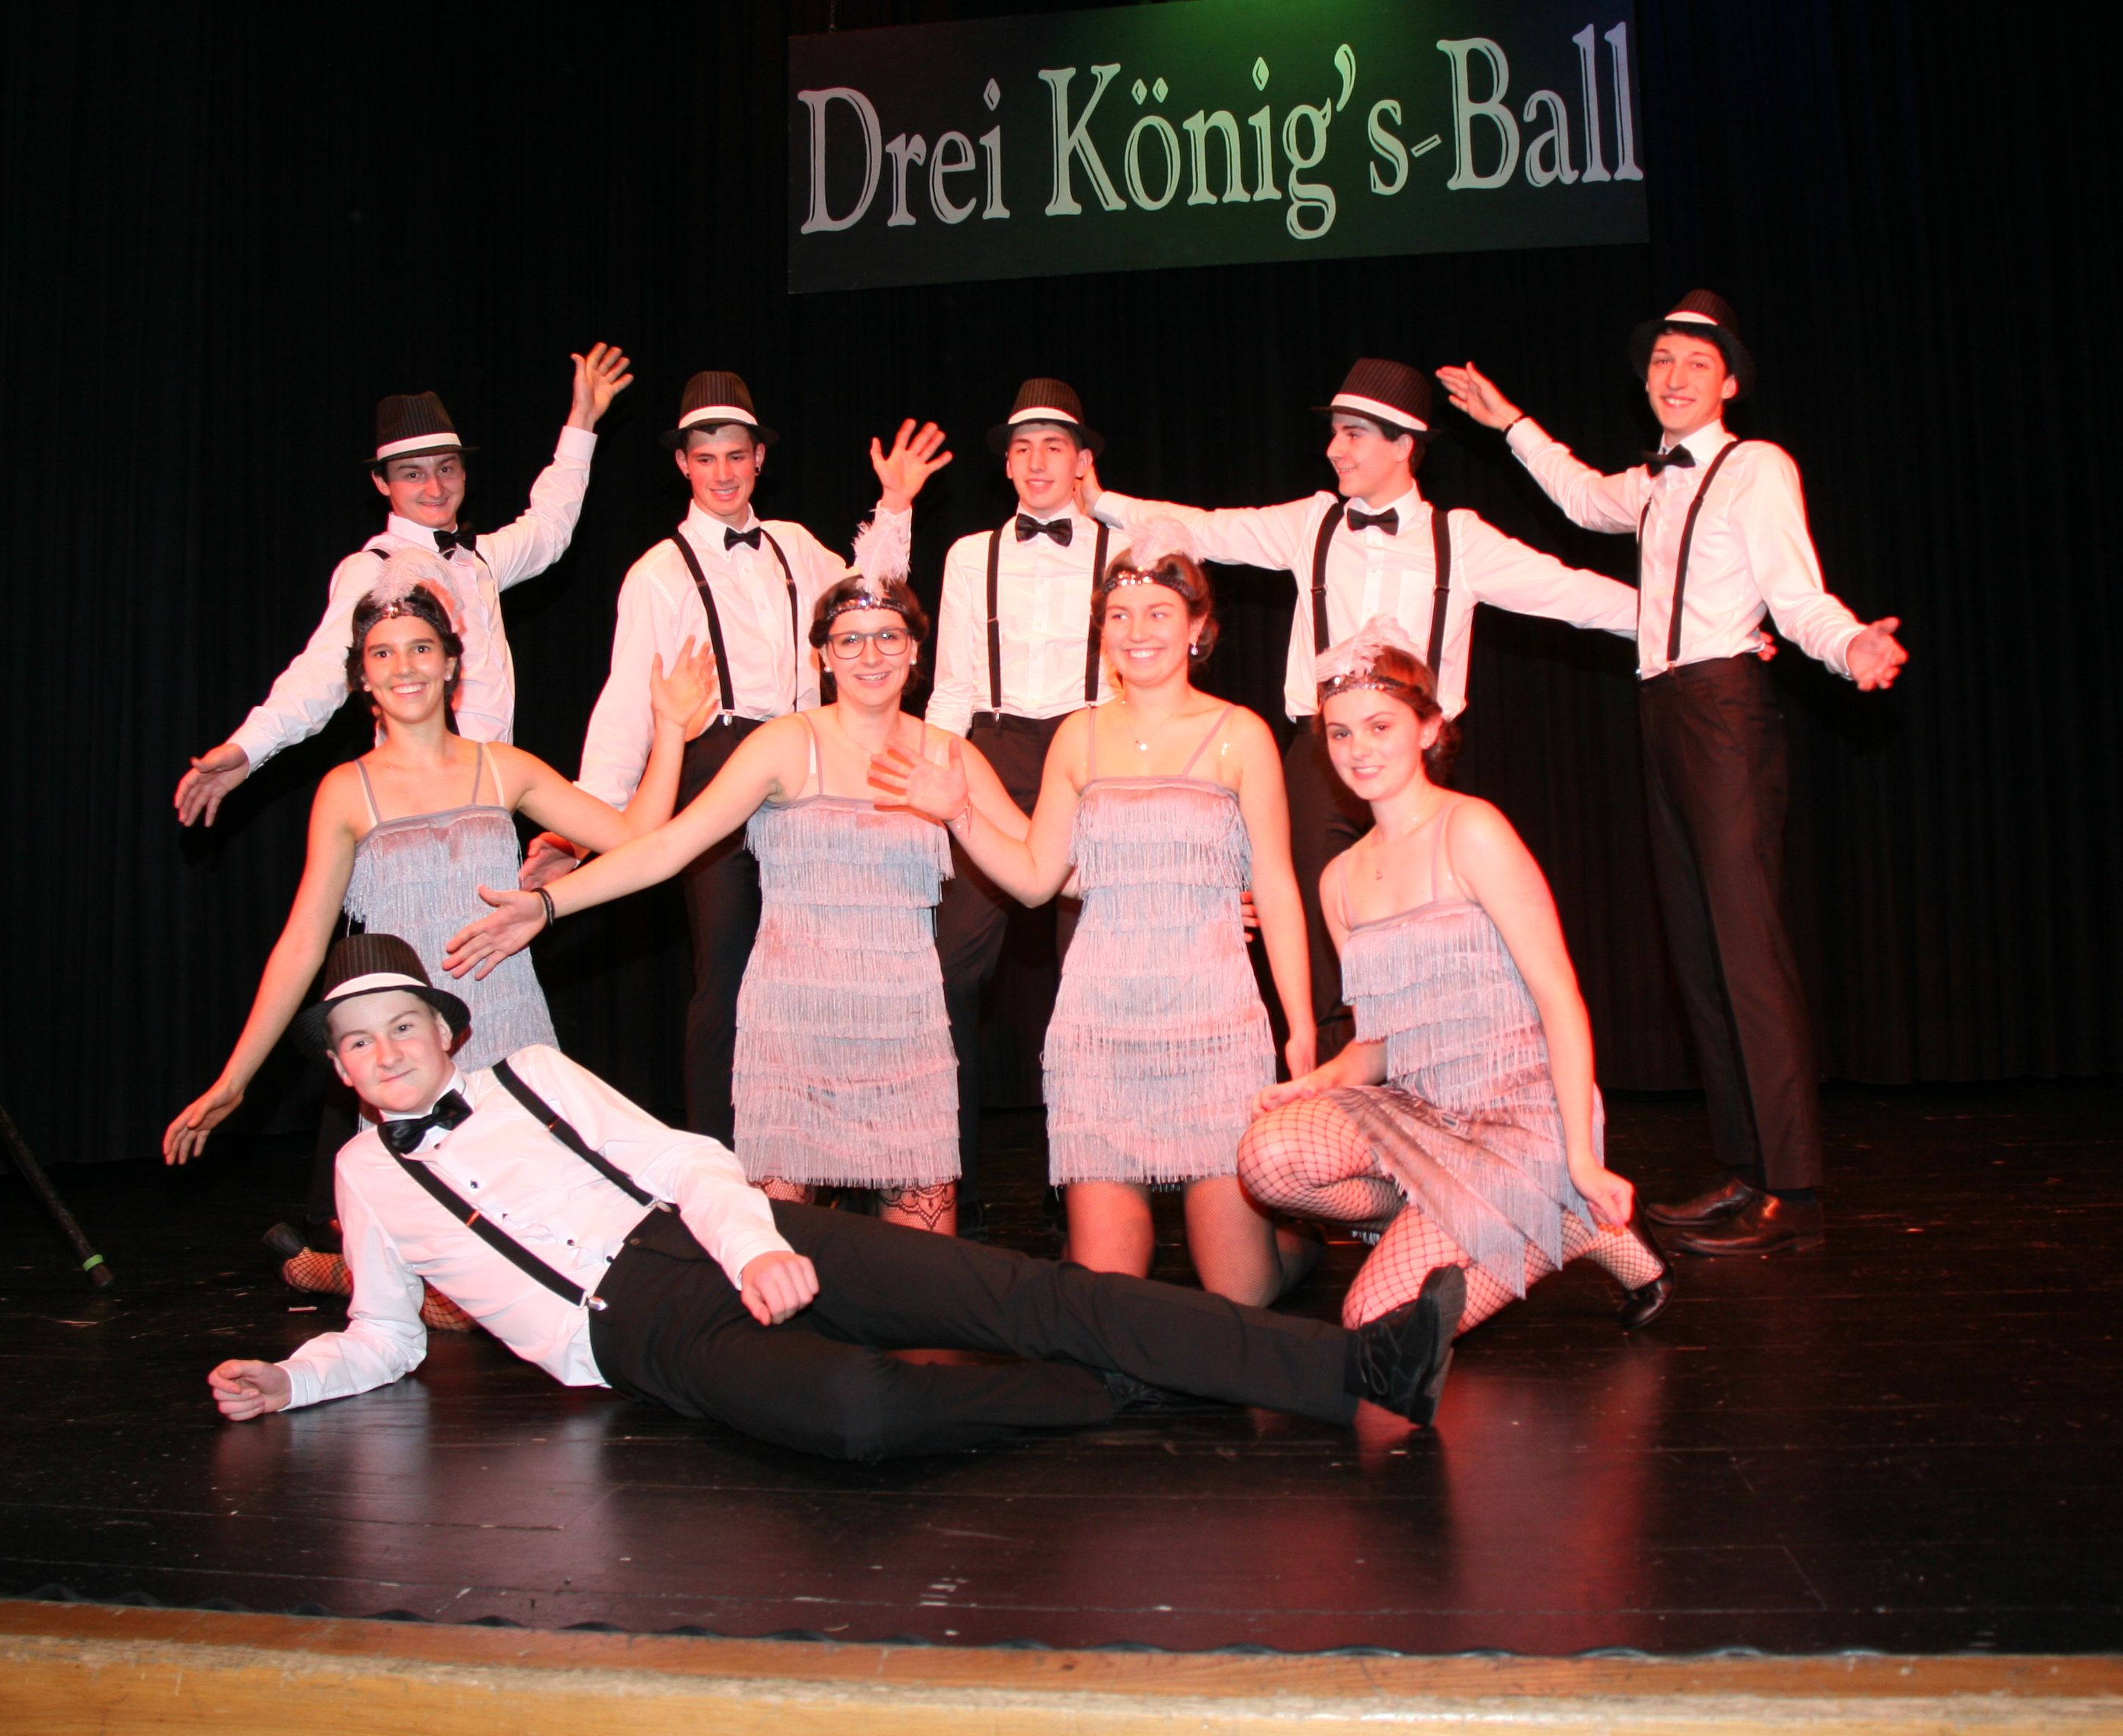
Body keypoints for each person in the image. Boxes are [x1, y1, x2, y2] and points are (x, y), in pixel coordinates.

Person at [204, 934, 1470, 1457]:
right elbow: (383, 1334)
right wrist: (289, 1380)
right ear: (339, 1069)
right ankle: (1130, 1386)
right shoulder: (364, 1175)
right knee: (861, 1417)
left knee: (1029, 1293)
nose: (384, 1054)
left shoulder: (529, 1073)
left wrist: (753, 1247)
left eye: (401, 1027)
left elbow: (684, 1158)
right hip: (634, 1333)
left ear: (444, 1028)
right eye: (357, 1043)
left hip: (717, 1234)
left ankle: (1360, 1367)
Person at [1437, 290, 1910, 1254]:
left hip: (1724, 708)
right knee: (1698, 953)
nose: (1675, 375)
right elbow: (1581, 496)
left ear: (1729, 383)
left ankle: (1795, 1191)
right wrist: (1511, 422)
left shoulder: (1756, 466)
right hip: (1661, 709)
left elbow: (1797, 593)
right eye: (1662, 361)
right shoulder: (1654, 481)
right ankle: (1745, 1168)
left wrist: (1849, 643)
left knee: (1747, 949)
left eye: (1697, 363)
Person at [446, 525, 1028, 1236]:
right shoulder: (784, 744)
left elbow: (1037, 872)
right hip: (792, 1033)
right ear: (822, 655)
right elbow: (665, 849)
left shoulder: (948, 755)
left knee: (921, 1279)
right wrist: (546, 904)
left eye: (888, 637)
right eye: (849, 640)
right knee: (777, 1265)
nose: (871, 654)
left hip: (906, 1035)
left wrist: (965, 812)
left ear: (914, 650)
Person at [163, 557, 711, 1304]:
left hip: (506, 1025)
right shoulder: (346, 791)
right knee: (440, 1243)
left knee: (548, 1240)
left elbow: (639, 840)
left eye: (421, 647)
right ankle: (382, 1276)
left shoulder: (504, 768)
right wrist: (234, 1079)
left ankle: (386, 1279)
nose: (405, 666)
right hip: (401, 1047)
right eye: (383, 653)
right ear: (362, 678)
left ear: (452, 663)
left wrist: (670, 728)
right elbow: (302, 943)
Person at [1079, 358, 1641, 1061]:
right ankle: (1332, 1068)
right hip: (1322, 751)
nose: (1334, 449)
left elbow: (1575, 595)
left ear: (1404, 444)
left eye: (1352, 434)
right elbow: (1204, 529)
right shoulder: (1311, 524)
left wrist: (1686, 627)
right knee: (1317, 919)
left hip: (1416, 762)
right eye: (1335, 433)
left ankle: (1430, 1061)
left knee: (1422, 917)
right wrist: (1101, 501)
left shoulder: (1459, 539)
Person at [869, 525, 1317, 1306]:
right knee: (1105, 1297)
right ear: (1102, 633)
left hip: (1214, 1030)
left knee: (1241, 1297)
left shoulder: (1239, 734)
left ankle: (1297, 1242)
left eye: (1158, 612)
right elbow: (1036, 881)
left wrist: (1302, 1027)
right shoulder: (1079, 737)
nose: (1138, 630)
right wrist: (958, 814)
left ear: (1197, 628)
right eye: (1120, 615)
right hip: (1100, 1033)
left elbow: (1276, 884)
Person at [535, 372, 951, 1145]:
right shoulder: (657, 573)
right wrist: (580, 826)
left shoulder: (795, 544)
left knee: (826, 960)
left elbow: (873, 598)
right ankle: (721, 1162)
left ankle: (830, 1151)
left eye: (736, 454)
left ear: (759, 458)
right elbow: (626, 704)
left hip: (809, 761)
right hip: (718, 763)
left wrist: (895, 503)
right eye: (705, 458)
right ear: (683, 466)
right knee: (727, 969)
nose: (722, 472)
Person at [1237, 623, 1673, 1336]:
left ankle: (1563, 1211)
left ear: (1429, 728)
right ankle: (1520, 1221)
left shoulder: (1472, 830)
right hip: (1424, 1115)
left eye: (1380, 726)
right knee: (1268, 1157)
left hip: (1517, 1119)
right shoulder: (1338, 880)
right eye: (1341, 733)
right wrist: (1316, 1083)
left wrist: (1580, 1158)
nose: (1359, 748)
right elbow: (1381, 1043)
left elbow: (1560, 1000)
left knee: (1380, 1326)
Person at [174, 345, 634, 826]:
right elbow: (323, 671)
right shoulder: (376, 568)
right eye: (413, 474)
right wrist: (249, 748)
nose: (435, 488)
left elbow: (550, 529)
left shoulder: (478, 558)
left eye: (446, 469)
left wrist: (582, 420)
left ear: (463, 472)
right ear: (382, 482)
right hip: (424, 796)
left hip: (492, 793)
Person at [925, 379, 1113, 1228]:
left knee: (1089, 978)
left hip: (1091, 753)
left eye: (1055, 447)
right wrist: (932, 786)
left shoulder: (1121, 544)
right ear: (1006, 464)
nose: (1038, 463)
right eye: (1022, 448)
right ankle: (944, 1174)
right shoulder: (971, 556)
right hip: (992, 753)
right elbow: (951, 685)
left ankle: (1086, 1180)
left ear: (1082, 462)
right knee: (948, 968)